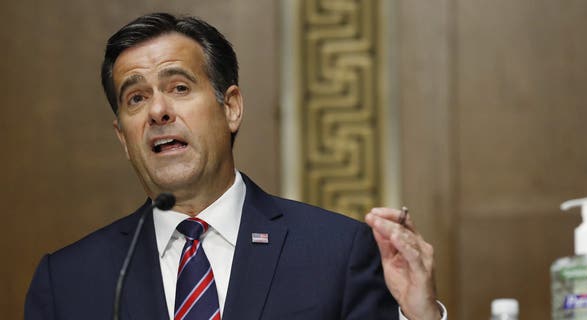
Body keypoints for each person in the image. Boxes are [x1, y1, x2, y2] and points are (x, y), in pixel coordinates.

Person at [25, 13, 444, 320]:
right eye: (136, 98)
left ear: (232, 109)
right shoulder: (67, 281)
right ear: (123, 137)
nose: (157, 110)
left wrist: (420, 316)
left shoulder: (336, 252)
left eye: (179, 87)